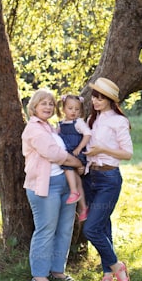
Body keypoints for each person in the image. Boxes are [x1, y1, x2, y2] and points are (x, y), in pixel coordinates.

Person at [21, 87, 86, 281]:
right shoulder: (33, 129)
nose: (48, 107)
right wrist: (77, 163)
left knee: (65, 229)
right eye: (43, 103)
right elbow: (54, 154)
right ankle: (39, 276)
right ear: (34, 107)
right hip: (44, 186)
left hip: (66, 184)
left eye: (50, 103)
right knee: (46, 230)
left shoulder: (50, 127)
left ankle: (58, 270)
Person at [82, 76, 133, 281]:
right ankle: (107, 275)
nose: (95, 101)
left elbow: (128, 153)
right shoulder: (91, 120)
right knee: (103, 226)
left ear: (110, 100)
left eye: (100, 98)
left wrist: (102, 150)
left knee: (91, 229)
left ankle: (117, 266)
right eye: (94, 97)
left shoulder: (119, 121)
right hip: (89, 177)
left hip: (108, 179)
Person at [57, 94, 91, 222]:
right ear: (63, 109)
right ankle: (83, 208)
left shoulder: (79, 122)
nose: (73, 111)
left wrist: (79, 148)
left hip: (76, 154)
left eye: (77, 109)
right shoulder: (61, 123)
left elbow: (88, 134)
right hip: (69, 154)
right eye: (70, 108)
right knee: (78, 181)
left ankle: (73, 192)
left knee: (67, 168)